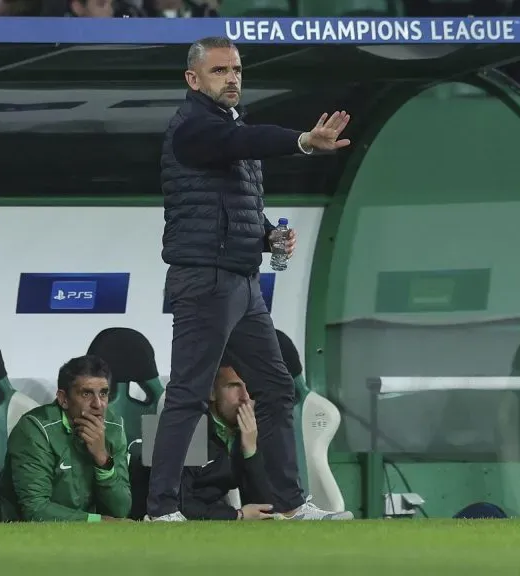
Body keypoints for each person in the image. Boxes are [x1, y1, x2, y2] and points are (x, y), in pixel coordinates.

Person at [147, 36, 352, 522]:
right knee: (188, 394)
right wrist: (303, 141)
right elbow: (244, 142)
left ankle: (291, 504)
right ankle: (161, 509)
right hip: (204, 281)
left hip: (242, 282)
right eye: (219, 71)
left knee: (277, 388)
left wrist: (266, 237)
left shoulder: (230, 126)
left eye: (236, 69)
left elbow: (230, 205)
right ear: (193, 79)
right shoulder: (193, 128)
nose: (232, 78)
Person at [181, 363, 355, 521]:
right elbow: (180, 505)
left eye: (250, 388)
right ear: (212, 393)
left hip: (214, 519)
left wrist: (250, 451)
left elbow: (266, 509)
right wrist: (237, 515)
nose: (245, 397)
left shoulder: (252, 430)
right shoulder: (194, 428)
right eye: (233, 386)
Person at [0, 355, 131, 522]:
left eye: (103, 393)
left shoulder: (113, 427)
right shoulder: (34, 429)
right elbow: (35, 510)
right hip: (25, 532)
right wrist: (98, 521)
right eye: (86, 394)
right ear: (63, 399)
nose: (98, 404)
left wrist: (103, 459)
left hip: (90, 529)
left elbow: (120, 510)